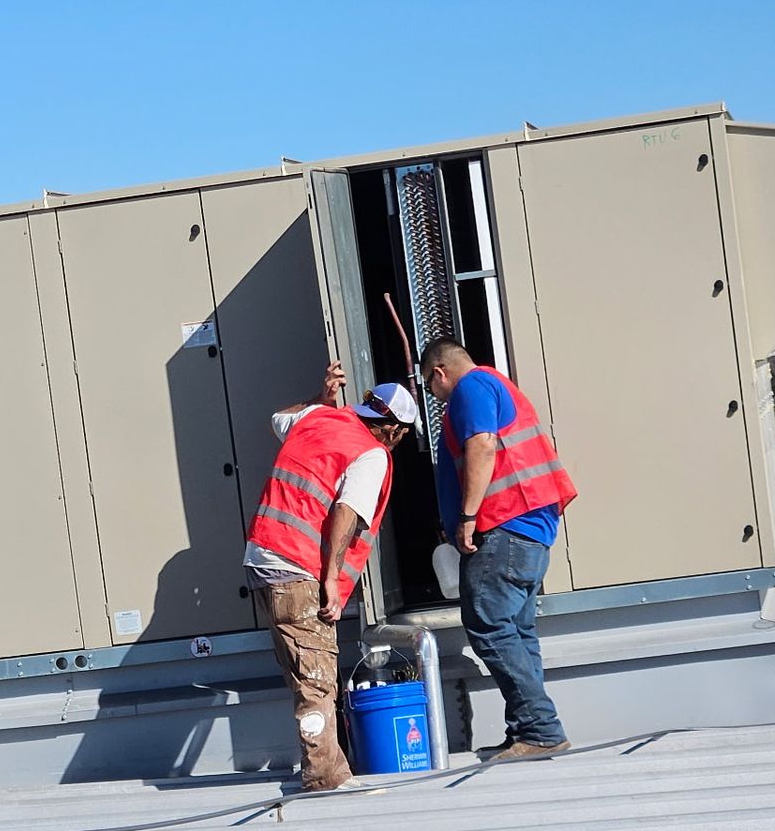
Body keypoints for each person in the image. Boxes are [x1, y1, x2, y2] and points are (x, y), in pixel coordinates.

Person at [244, 363, 420, 791]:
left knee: (303, 673)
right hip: (301, 566)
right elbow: (346, 512)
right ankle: (324, 776)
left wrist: (321, 398)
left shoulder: (318, 417)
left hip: (265, 558)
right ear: (394, 431)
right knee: (317, 676)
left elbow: (278, 418)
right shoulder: (372, 453)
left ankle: (327, 765)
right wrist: (330, 580)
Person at [421, 337, 578, 761]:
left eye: (430, 387)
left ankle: (541, 729)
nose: (435, 398)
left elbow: (483, 446)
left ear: (439, 372)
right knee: (517, 631)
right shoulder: (496, 384)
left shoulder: (470, 388)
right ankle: (528, 729)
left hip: (504, 525)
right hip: (530, 529)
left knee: (488, 624)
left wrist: (467, 516)